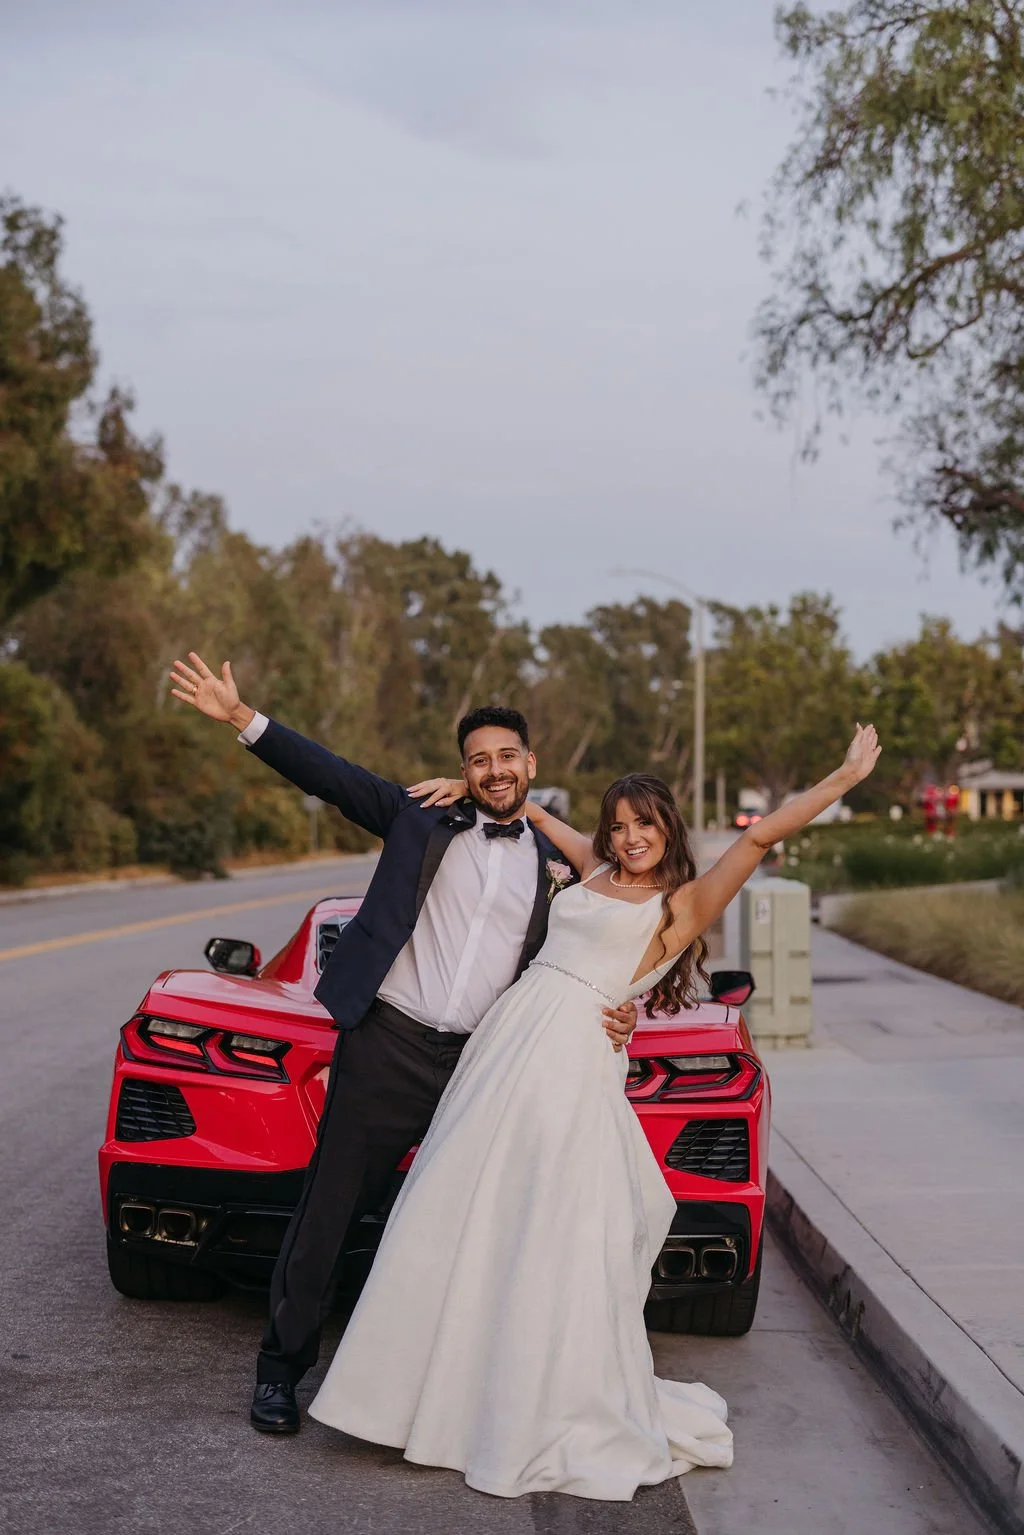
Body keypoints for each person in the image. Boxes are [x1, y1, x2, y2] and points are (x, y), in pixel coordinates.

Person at [305, 726, 882, 1500]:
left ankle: (528, 1404)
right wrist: (463, 780)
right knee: (463, 1214)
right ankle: (429, 1397)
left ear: (668, 828)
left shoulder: (682, 904)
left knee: (552, 1228)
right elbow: (531, 813)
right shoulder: (592, 867)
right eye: (618, 824)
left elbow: (766, 834)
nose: (629, 836)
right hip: (505, 1048)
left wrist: (842, 777)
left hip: (570, 1058)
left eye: (644, 823)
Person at [167, 653, 639, 1434]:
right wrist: (241, 718)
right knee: (331, 1212)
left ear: (532, 765)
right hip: (389, 1043)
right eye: (478, 759)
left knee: (471, 1225)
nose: (494, 770)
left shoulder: (561, 863)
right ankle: (280, 1373)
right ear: (464, 769)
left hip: (487, 1064)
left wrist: (626, 1006)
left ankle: (457, 1393)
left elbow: (617, 939)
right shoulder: (418, 815)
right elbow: (329, 774)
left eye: (506, 757)